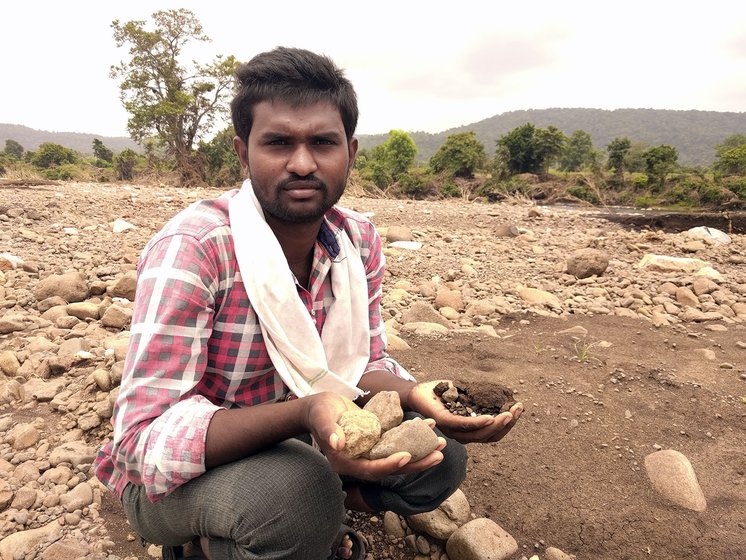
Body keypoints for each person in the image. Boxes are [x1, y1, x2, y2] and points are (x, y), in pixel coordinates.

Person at [94, 46, 522, 560]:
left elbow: (362, 363)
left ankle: (325, 512)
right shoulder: (195, 250)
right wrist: (307, 413)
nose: (302, 163)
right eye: (277, 143)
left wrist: (417, 394)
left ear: (351, 151)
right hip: (178, 478)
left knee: (440, 455)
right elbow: (142, 441)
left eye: (322, 142)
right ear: (242, 151)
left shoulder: (356, 240)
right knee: (297, 495)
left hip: (307, 438)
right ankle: (209, 543)